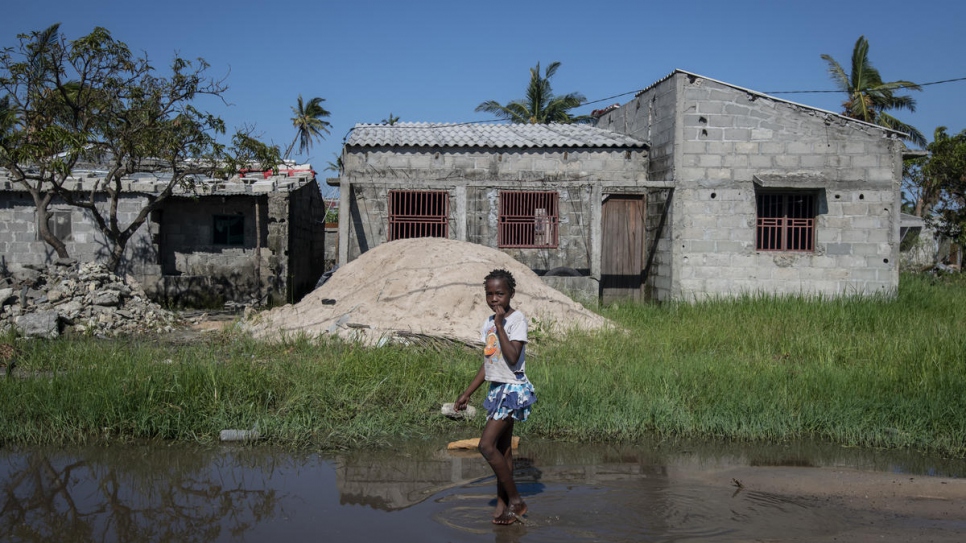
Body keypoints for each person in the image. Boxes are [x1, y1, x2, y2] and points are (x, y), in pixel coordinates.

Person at [455, 269, 536, 525]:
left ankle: (516, 501)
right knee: (503, 451)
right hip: (497, 389)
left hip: (512, 390)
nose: (494, 299)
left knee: (486, 446)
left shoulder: (516, 320)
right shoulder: (488, 323)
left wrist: (500, 326)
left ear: (511, 293)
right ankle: (503, 506)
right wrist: (468, 392)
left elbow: (512, 357)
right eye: (489, 294)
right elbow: (489, 362)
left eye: (499, 294)